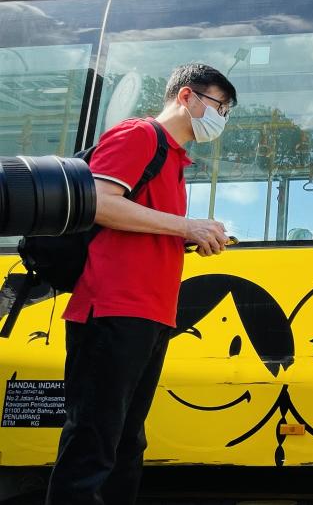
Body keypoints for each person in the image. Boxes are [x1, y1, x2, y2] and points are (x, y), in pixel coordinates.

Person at [47, 63, 237, 505]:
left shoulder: (175, 160)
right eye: (219, 105)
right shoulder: (139, 135)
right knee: (93, 443)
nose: (222, 118)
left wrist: (190, 237)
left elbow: (142, 226)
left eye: (227, 111)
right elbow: (97, 202)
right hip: (112, 309)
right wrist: (184, 226)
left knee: (127, 445)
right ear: (186, 97)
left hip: (149, 314)